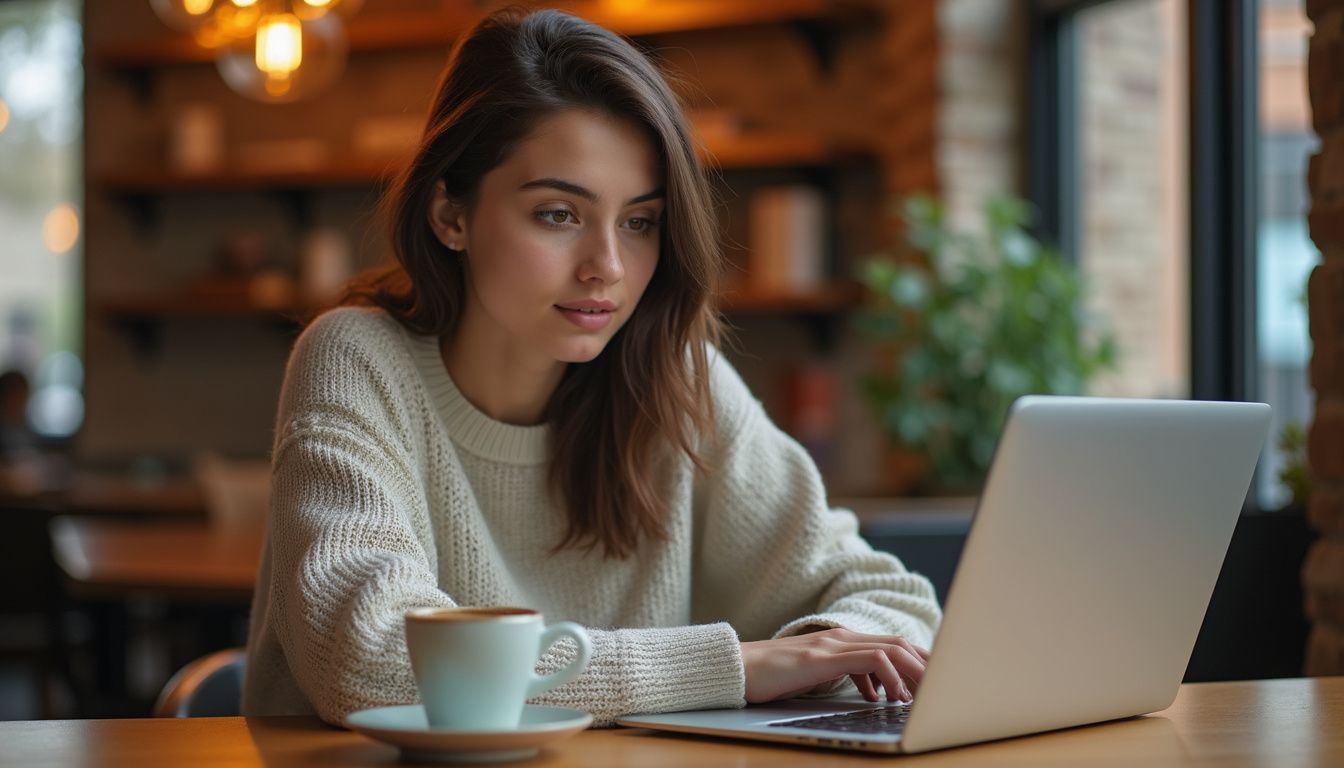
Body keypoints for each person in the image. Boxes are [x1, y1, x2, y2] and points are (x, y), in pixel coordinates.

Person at [242, 7, 941, 727]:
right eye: (558, 214)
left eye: (639, 222)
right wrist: (735, 668)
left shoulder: (675, 380)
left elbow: (897, 604)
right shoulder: (356, 359)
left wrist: (814, 655)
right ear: (450, 214)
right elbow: (370, 659)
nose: (607, 267)